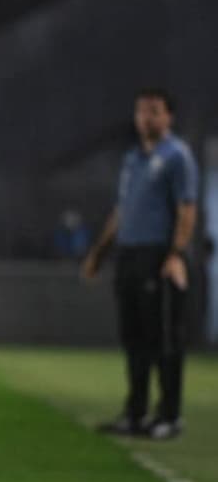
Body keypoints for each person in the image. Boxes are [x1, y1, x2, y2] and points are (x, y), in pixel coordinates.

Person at [82, 87, 198, 440]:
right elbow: (122, 210)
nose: (146, 118)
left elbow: (187, 209)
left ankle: (169, 415)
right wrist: (99, 252)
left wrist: (175, 254)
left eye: (154, 111)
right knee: (134, 338)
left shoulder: (177, 156)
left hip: (158, 256)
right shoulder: (133, 158)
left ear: (168, 117)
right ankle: (135, 413)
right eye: (142, 112)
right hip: (130, 255)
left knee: (163, 337)